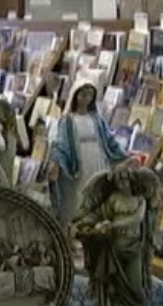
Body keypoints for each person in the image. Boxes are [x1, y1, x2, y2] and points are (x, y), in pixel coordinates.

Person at [74, 165, 159, 306]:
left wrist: (112, 225)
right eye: (119, 180)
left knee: (136, 288)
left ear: (130, 179)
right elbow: (97, 214)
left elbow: (136, 219)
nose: (122, 183)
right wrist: (90, 224)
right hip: (114, 250)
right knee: (112, 290)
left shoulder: (139, 199)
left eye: (125, 178)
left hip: (133, 249)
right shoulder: (112, 199)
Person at [48, 82, 129, 226]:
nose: (86, 99)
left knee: (97, 191)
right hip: (79, 163)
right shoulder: (67, 120)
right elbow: (61, 144)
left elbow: (109, 139)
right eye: (83, 95)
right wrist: (56, 162)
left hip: (97, 160)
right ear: (75, 96)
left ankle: (96, 223)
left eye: (90, 95)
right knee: (80, 195)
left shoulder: (97, 119)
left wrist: (123, 156)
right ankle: (78, 225)